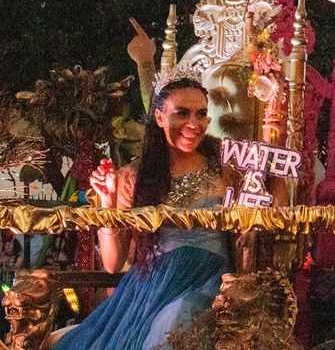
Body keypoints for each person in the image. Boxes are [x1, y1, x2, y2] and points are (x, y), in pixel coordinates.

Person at [52, 77, 239, 349]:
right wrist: (107, 201)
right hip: (149, 288)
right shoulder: (133, 177)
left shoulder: (226, 170)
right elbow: (112, 263)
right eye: (182, 113)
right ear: (160, 117)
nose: (193, 124)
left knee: (181, 315)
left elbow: (255, 226)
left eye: (201, 114)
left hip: (208, 281)